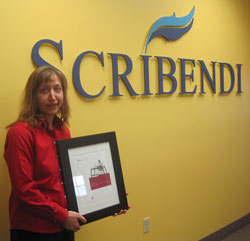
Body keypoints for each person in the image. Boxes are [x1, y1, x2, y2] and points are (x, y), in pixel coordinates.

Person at [4, 66, 86, 241]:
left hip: (65, 224)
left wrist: (106, 200)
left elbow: (69, 179)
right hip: (35, 230)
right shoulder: (20, 133)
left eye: (57, 89)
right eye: (44, 90)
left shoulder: (63, 129)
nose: (52, 96)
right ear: (33, 96)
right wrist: (62, 216)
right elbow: (24, 190)